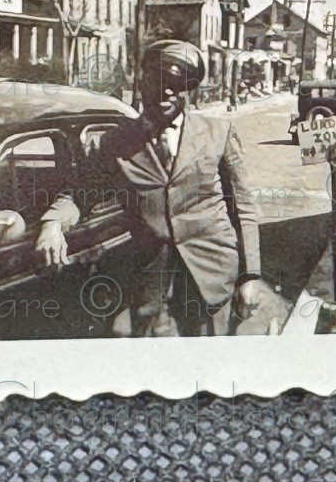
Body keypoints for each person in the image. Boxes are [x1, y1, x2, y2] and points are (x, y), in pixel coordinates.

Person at [36, 40, 265, 337]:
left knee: (208, 366)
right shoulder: (117, 142)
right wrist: (52, 222)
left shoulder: (217, 133)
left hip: (211, 275)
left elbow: (243, 209)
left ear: (189, 88)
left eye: (178, 83)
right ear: (142, 82)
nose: (168, 90)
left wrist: (251, 275)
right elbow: (83, 191)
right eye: (160, 81)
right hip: (149, 278)